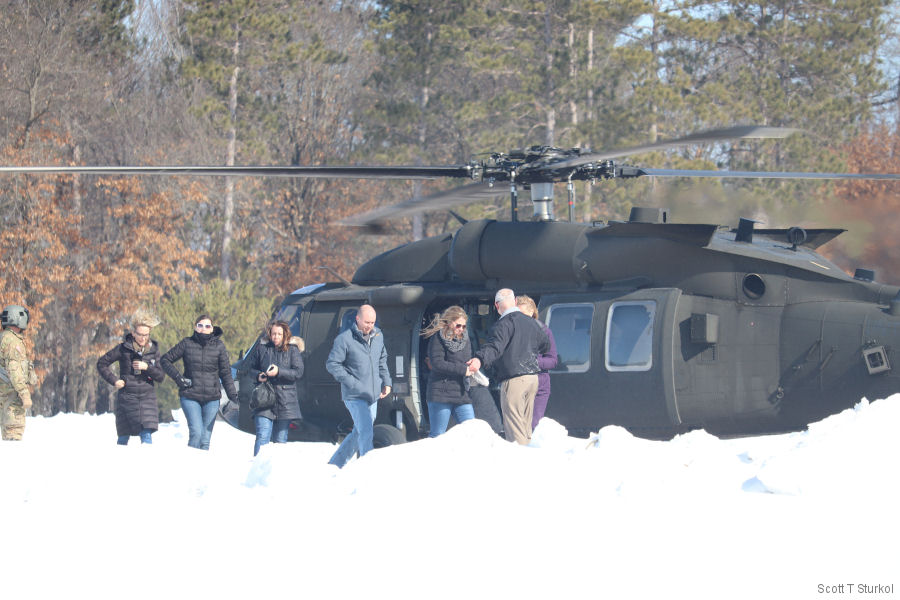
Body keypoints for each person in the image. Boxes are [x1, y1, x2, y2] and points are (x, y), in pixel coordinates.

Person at [466, 289, 549, 445]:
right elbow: (545, 344)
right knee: (526, 427)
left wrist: (479, 359)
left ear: (497, 306)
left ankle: (520, 464)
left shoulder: (503, 324)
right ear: (515, 301)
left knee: (515, 429)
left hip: (514, 380)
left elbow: (495, 347)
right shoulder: (531, 322)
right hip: (533, 379)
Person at [326, 304, 392, 468]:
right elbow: (332, 364)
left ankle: (335, 464)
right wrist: (351, 382)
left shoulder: (378, 336)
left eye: (372, 322)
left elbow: (382, 360)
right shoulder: (345, 339)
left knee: (360, 431)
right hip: (354, 395)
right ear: (357, 319)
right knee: (366, 430)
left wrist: (387, 382)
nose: (370, 326)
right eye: (367, 322)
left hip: (373, 394)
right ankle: (366, 468)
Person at [161, 314, 238, 450]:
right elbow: (165, 360)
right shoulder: (187, 343)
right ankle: (191, 467)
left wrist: (233, 397)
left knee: (205, 440)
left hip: (212, 398)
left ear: (212, 329)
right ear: (195, 327)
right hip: (190, 395)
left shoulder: (219, 346)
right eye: (200, 325)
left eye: (207, 326)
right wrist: (179, 379)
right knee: (196, 433)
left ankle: (202, 470)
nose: (203, 328)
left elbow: (225, 373)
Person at [96, 308, 165, 445]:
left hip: (147, 398)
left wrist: (147, 368)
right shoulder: (123, 349)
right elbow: (102, 363)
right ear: (133, 333)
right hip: (127, 398)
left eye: (146, 335)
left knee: (146, 433)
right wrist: (114, 380)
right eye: (140, 334)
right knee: (123, 436)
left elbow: (161, 376)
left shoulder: (154, 351)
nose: (143, 338)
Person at [246, 320, 304, 455]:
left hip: (285, 400)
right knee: (262, 435)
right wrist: (258, 376)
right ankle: (257, 468)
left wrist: (279, 371)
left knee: (280, 439)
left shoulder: (292, 350)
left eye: (279, 334)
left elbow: (298, 372)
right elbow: (251, 369)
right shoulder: (262, 348)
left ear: (285, 335)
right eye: (273, 334)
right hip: (265, 398)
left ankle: (275, 471)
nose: (276, 337)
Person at [422, 306, 475, 437]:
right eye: (458, 325)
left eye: (464, 326)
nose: (461, 329)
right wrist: (463, 370)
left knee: (473, 432)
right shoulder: (438, 338)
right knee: (438, 434)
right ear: (450, 322)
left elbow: (466, 360)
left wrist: (473, 364)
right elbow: (437, 363)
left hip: (461, 392)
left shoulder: (466, 340)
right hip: (441, 393)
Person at [516, 295, 558, 430]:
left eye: (523, 315)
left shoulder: (544, 332)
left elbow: (552, 360)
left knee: (533, 425)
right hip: (517, 383)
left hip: (539, 383)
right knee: (518, 427)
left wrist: (533, 361)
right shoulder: (510, 332)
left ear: (532, 313)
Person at [0, 305, 36, 441]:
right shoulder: (12, 341)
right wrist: (24, 393)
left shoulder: (3, 338)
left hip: (4, 396)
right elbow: (14, 370)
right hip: (12, 399)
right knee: (13, 437)